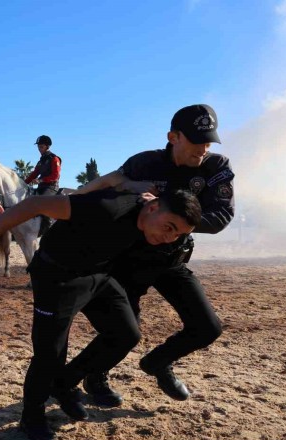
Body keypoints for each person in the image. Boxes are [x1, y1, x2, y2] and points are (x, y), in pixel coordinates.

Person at [0, 188, 201, 440]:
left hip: (97, 276)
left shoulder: (150, 215)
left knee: (126, 334)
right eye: (169, 227)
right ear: (154, 209)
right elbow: (34, 204)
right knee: (51, 352)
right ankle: (31, 416)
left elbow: (136, 181)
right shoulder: (105, 207)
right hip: (57, 277)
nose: (170, 238)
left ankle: (64, 384)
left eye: (177, 234)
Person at [75, 104, 232, 406]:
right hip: (129, 259)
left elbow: (221, 216)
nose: (204, 147)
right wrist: (131, 189)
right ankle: (93, 376)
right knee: (122, 330)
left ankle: (158, 362)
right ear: (173, 136)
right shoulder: (144, 164)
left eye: (209, 140)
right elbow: (105, 188)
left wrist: (168, 217)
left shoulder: (215, 167)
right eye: (197, 140)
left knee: (207, 327)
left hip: (172, 260)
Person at [24, 135, 62, 235]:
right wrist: (22, 183)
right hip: (41, 187)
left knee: (43, 204)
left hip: (51, 187)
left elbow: (55, 175)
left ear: (47, 147)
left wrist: (41, 180)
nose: (39, 149)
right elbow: (34, 174)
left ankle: (49, 231)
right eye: (38, 147)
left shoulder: (54, 159)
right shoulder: (41, 161)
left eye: (41, 147)